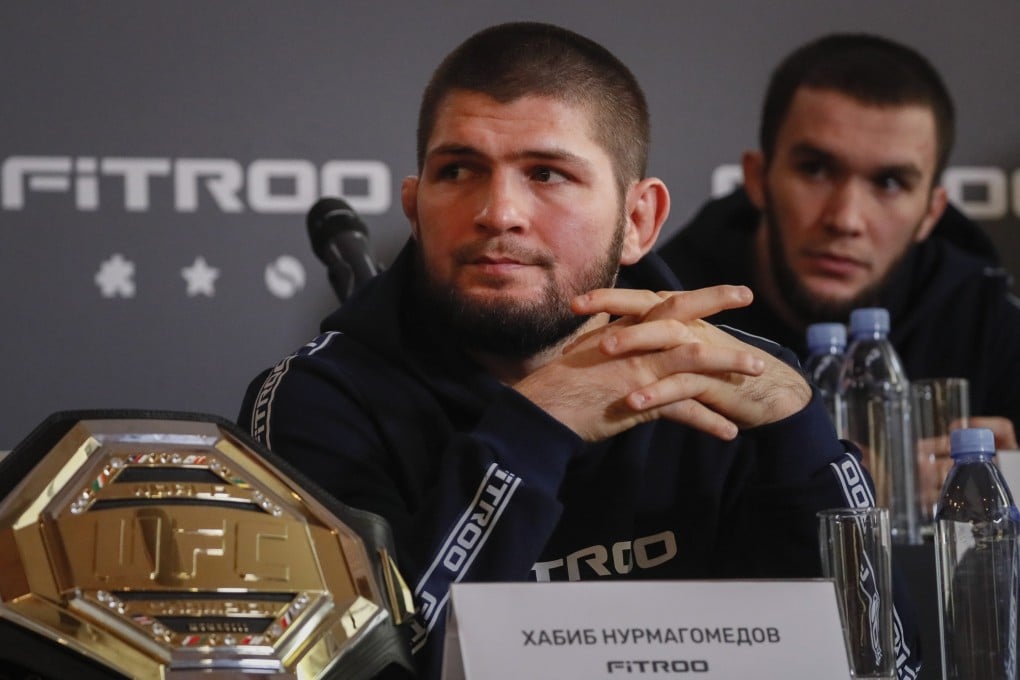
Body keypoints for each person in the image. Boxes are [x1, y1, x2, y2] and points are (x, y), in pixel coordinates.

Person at [239, 23, 920, 679]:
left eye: (547, 173)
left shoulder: (734, 385)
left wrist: (805, 444)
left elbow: (891, 665)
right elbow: (356, 667)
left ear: (638, 220)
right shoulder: (313, 400)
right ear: (415, 209)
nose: (498, 212)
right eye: (459, 170)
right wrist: (535, 428)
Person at [657, 32, 1020, 507]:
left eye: (889, 183)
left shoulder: (984, 314)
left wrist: (1012, 481)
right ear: (758, 179)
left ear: (931, 212)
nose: (846, 219)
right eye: (816, 170)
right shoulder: (671, 309)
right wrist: (851, 489)